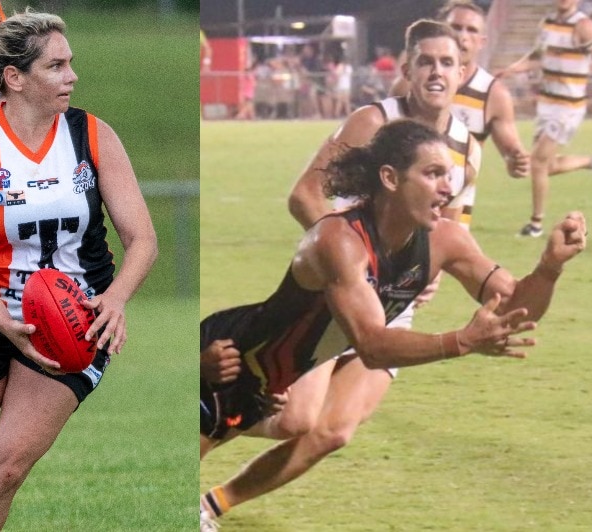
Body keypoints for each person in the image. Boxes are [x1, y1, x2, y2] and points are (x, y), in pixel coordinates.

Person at [200, 119, 587, 527]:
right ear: (390, 178)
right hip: (228, 361)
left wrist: (547, 270)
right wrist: (462, 340)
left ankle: (207, 507)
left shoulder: (445, 240)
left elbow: (513, 308)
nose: (448, 188)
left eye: (449, 175)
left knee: (314, 426)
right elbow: (371, 345)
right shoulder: (338, 240)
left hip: (272, 379)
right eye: (433, 173)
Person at [202, 18, 483, 523]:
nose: (437, 72)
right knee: (294, 416)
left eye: (448, 62)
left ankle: (212, 505)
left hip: (395, 304)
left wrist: (432, 271)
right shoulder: (371, 121)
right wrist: (357, 261)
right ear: (406, 69)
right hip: (338, 291)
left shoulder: (469, 147)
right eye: (426, 61)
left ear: (464, 71)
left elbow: (448, 228)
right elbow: (305, 195)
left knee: (333, 431)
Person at [0, 0, 158, 529]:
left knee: (3, 471)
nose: (72, 76)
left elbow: (143, 239)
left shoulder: (92, 135)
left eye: (69, 62)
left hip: (72, 322)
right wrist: (5, 323)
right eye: (57, 66)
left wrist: (114, 298)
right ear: (16, 78)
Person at [391, 0, 531, 180]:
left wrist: (516, 162)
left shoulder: (494, 94)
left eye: (471, 30)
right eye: (455, 27)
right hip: (408, 201)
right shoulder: (407, 85)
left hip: (457, 202)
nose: (462, 36)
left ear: (482, 42)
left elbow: (512, 154)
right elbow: (384, 143)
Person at [497, 0, 592, 237]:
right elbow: (537, 57)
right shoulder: (548, 23)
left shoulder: (583, 26)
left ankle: (536, 224)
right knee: (543, 166)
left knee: (537, 164)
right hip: (546, 105)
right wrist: (511, 69)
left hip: (568, 107)